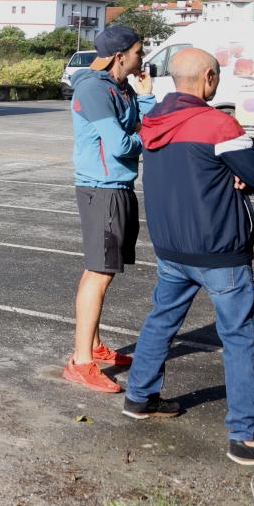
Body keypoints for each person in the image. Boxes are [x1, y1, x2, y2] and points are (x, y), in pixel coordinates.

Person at [122, 48, 254, 466]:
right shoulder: (217, 124)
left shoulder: (153, 120)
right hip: (219, 249)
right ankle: (245, 435)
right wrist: (240, 171)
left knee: (162, 320)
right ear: (208, 77)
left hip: (172, 247)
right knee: (239, 336)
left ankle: (139, 396)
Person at [64, 25, 155, 393]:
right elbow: (121, 144)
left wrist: (146, 99)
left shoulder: (122, 87)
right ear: (120, 56)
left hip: (116, 187)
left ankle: (93, 345)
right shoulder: (94, 90)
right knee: (99, 273)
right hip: (101, 189)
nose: (142, 58)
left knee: (102, 269)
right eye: (138, 52)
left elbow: (140, 126)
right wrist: (148, 134)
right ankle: (81, 361)